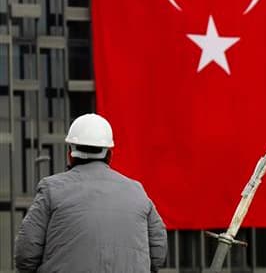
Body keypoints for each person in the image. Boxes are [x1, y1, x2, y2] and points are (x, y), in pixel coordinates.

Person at [14, 113, 167, 273]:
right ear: (110, 155)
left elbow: (26, 253)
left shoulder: (51, 189)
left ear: (70, 154)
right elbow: (158, 250)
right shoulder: (137, 192)